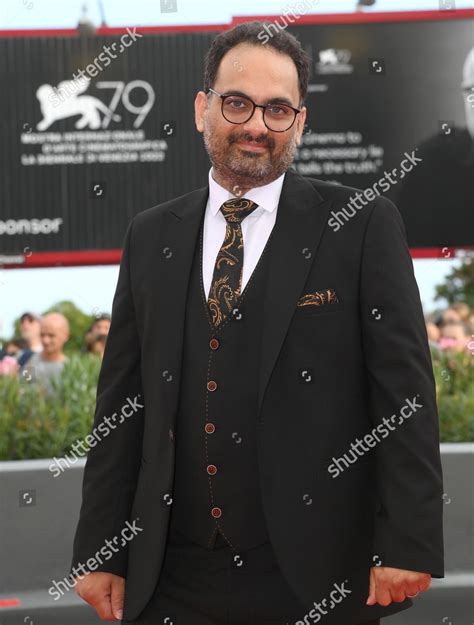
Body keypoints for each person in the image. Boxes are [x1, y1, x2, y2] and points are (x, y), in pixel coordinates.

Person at [71, 21, 444, 625]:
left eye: (278, 109)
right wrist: (100, 550)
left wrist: (409, 541)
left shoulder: (361, 225)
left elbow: (405, 396)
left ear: (300, 122)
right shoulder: (150, 234)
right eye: (237, 103)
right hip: (169, 576)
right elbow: (122, 405)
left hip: (316, 575)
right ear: (201, 108)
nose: (255, 126)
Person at [22, 312, 69, 393]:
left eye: (51, 335)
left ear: (65, 336)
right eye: (42, 335)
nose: (45, 340)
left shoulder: (69, 368)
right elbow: (25, 389)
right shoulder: (31, 363)